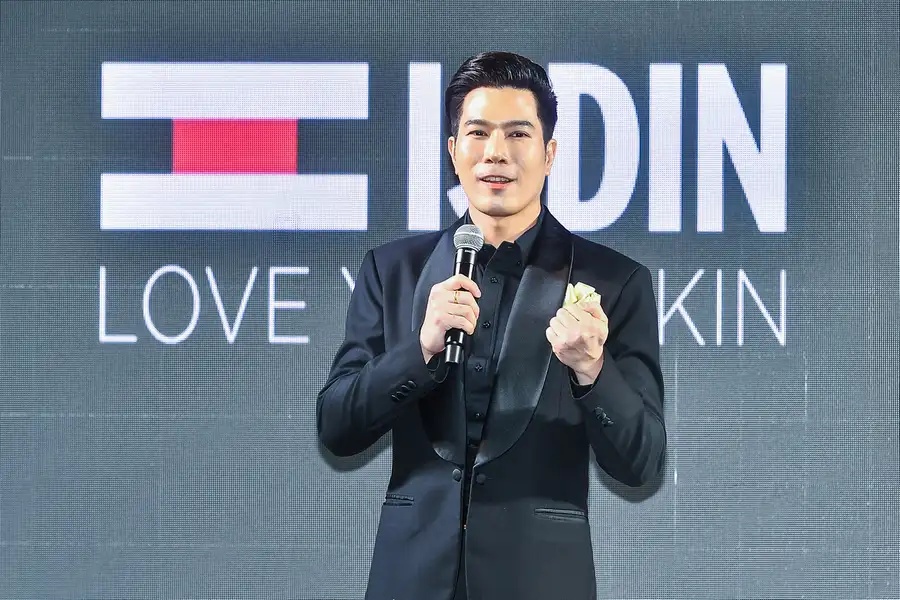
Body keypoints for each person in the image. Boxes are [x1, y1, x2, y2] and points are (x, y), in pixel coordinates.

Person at [317, 51, 666, 600]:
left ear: (549, 154)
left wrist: (592, 370)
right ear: (454, 152)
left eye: (518, 134)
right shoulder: (393, 271)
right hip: (410, 580)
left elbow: (642, 462)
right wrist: (419, 351)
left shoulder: (614, 281)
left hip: (540, 581)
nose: (495, 152)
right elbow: (337, 428)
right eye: (478, 133)